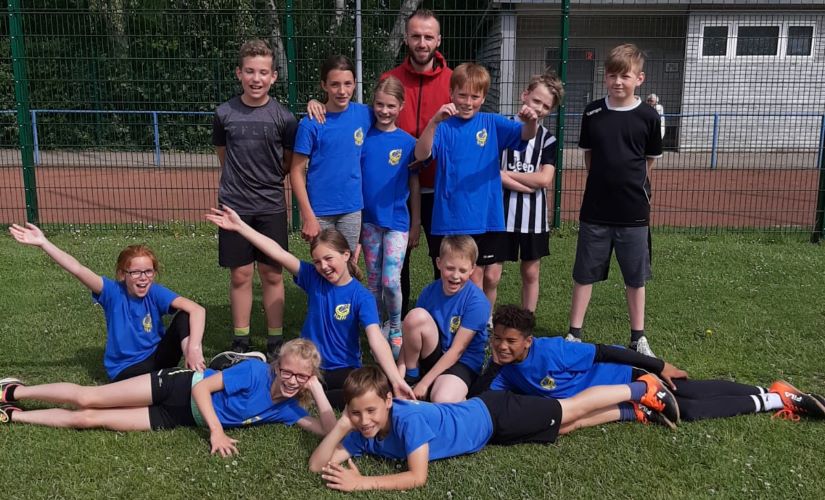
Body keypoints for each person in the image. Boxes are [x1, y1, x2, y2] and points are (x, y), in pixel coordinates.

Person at [307, 365, 678, 492]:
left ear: (388, 401)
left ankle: (641, 387)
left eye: (370, 410)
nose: (365, 420)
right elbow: (316, 465)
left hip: (493, 413)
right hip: (490, 434)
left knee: (567, 410)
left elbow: (417, 477)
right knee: (562, 429)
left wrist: (361, 483)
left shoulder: (408, 419)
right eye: (356, 414)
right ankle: (635, 414)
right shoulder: (361, 430)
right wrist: (341, 426)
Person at [204, 206, 414, 409]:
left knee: (365, 390)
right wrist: (241, 227)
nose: (323, 266)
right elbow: (278, 253)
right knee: (289, 385)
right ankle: (259, 374)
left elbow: (376, 339)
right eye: (317, 261)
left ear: (346, 255)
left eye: (329, 258)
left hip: (345, 370)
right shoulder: (313, 278)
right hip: (308, 367)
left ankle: (312, 394)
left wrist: (395, 379)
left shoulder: (362, 296)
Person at [475, 304, 825, 424]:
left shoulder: (553, 351)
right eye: (498, 340)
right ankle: (775, 393)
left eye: (511, 341)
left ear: (527, 341)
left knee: (688, 405)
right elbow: (482, 397)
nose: (503, 347)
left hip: (630, 376)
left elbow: (606, 352)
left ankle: (777, 398)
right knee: (690, 398)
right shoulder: (503, 371)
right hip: (617, 397)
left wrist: (658, 366)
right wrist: (491, 363)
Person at [0, 339, 337, 456]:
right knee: (89, 399)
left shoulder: (288, 409)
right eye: (289, 372)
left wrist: (319, 392)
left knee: (88, 419)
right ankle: (14, 390)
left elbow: (328, 432)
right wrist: (217, 432)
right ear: (277, 367)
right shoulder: (253, 374)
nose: (293, 380)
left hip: (179, 417)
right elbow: (201, 388)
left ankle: (14, 415)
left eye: (303, 377)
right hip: (176, 386)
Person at [8, 223, 206, 381]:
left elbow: (197, 310)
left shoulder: (155, 292)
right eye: (135, 272)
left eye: (148, 271)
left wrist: (193, 348)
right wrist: (44, 243)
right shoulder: (112, 292)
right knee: (165, 384)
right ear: (122, 274)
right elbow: (77, 269)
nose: (143, 277)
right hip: (126, 370)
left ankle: (195, 369)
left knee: (185, 316)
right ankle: (180, 381)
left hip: (157, 358)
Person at [566, 44, 663, 357]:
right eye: (612, 75)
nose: (618, 81)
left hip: (633, 212)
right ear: (605, 77)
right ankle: (574, 334)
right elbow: (590, 158)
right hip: (595, 209)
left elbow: (647, 161)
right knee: (584, 273)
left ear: (639, 78)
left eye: (625, 76)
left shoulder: (648, 116)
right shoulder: (593, 112)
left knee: (635, 277)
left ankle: (638, 337)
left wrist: (631, 185)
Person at [414, 62, 538, 294]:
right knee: (468, 278)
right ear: (451, 94)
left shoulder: (492, 123)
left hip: (487, 215)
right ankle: (466, 324)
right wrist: (433, 122)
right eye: (462, 95)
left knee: (491, 276)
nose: (467, 102)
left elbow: (525, 134)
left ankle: (483, 322)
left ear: (483, 97)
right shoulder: (443, 126)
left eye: (474, 96)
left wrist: (532, 121)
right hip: (453, 219)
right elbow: (421, 154)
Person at [213, 39, 297, 358]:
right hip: (235, 206)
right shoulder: (224, 114)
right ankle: (241, 341)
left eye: (263, 72)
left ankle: (275, 340)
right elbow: (224, 155)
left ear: (273, 76)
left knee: (272, 273)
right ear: (239, 73)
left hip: (271, 206)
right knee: (241, 273)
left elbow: (288, 163)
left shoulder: (284, 118)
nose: (256, 78)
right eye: (250, 71)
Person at [484, 71, 564, 314]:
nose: (539, 108)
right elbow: (492, 175)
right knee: (491, 274)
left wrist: (508, 176)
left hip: (534, 219)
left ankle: (527, 321)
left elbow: (544, 178)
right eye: (536, 101)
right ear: (524, 95)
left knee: (530, 272)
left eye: (546, 106)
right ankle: (484, 322)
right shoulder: (502, 127)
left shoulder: (548, 140)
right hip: (499, 215)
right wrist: (525, 182)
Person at [359, 76, 420, 359]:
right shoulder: (363, 138)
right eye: (380, 105)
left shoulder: (408, 143)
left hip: (397, 222)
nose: (384, 111)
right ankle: (377, 326)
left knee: (390, 281)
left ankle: (396, 326)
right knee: (372, 281)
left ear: (401, 106)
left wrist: (416, 222)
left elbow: (414, 185)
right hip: (369, 222)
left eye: (391, 106)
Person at [291, 55, 372, 260]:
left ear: (355, 83)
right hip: (320, 211)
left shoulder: (366, 114)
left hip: (352, 208)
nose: (342, 91)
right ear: (323, 85)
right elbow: (296, 171)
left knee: (347, 265)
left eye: (347, 83)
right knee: (324, 265)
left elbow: (392, 113)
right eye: (335, 84)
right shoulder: (310, 123)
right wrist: (308, 215)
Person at [398, 236, 490, 403]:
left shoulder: (478, 302)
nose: (455, 276)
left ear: (472, 269)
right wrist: (398, 377)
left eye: (462, 271)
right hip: (435, 353)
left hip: (463, 362)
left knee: (441, 399)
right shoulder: (429, 292)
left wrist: (425, 384)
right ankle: (412, 376)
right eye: (449, 268)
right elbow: (409, 335)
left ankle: (460, 397)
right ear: (438, 263)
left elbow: (458, 350)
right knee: (414, 317)